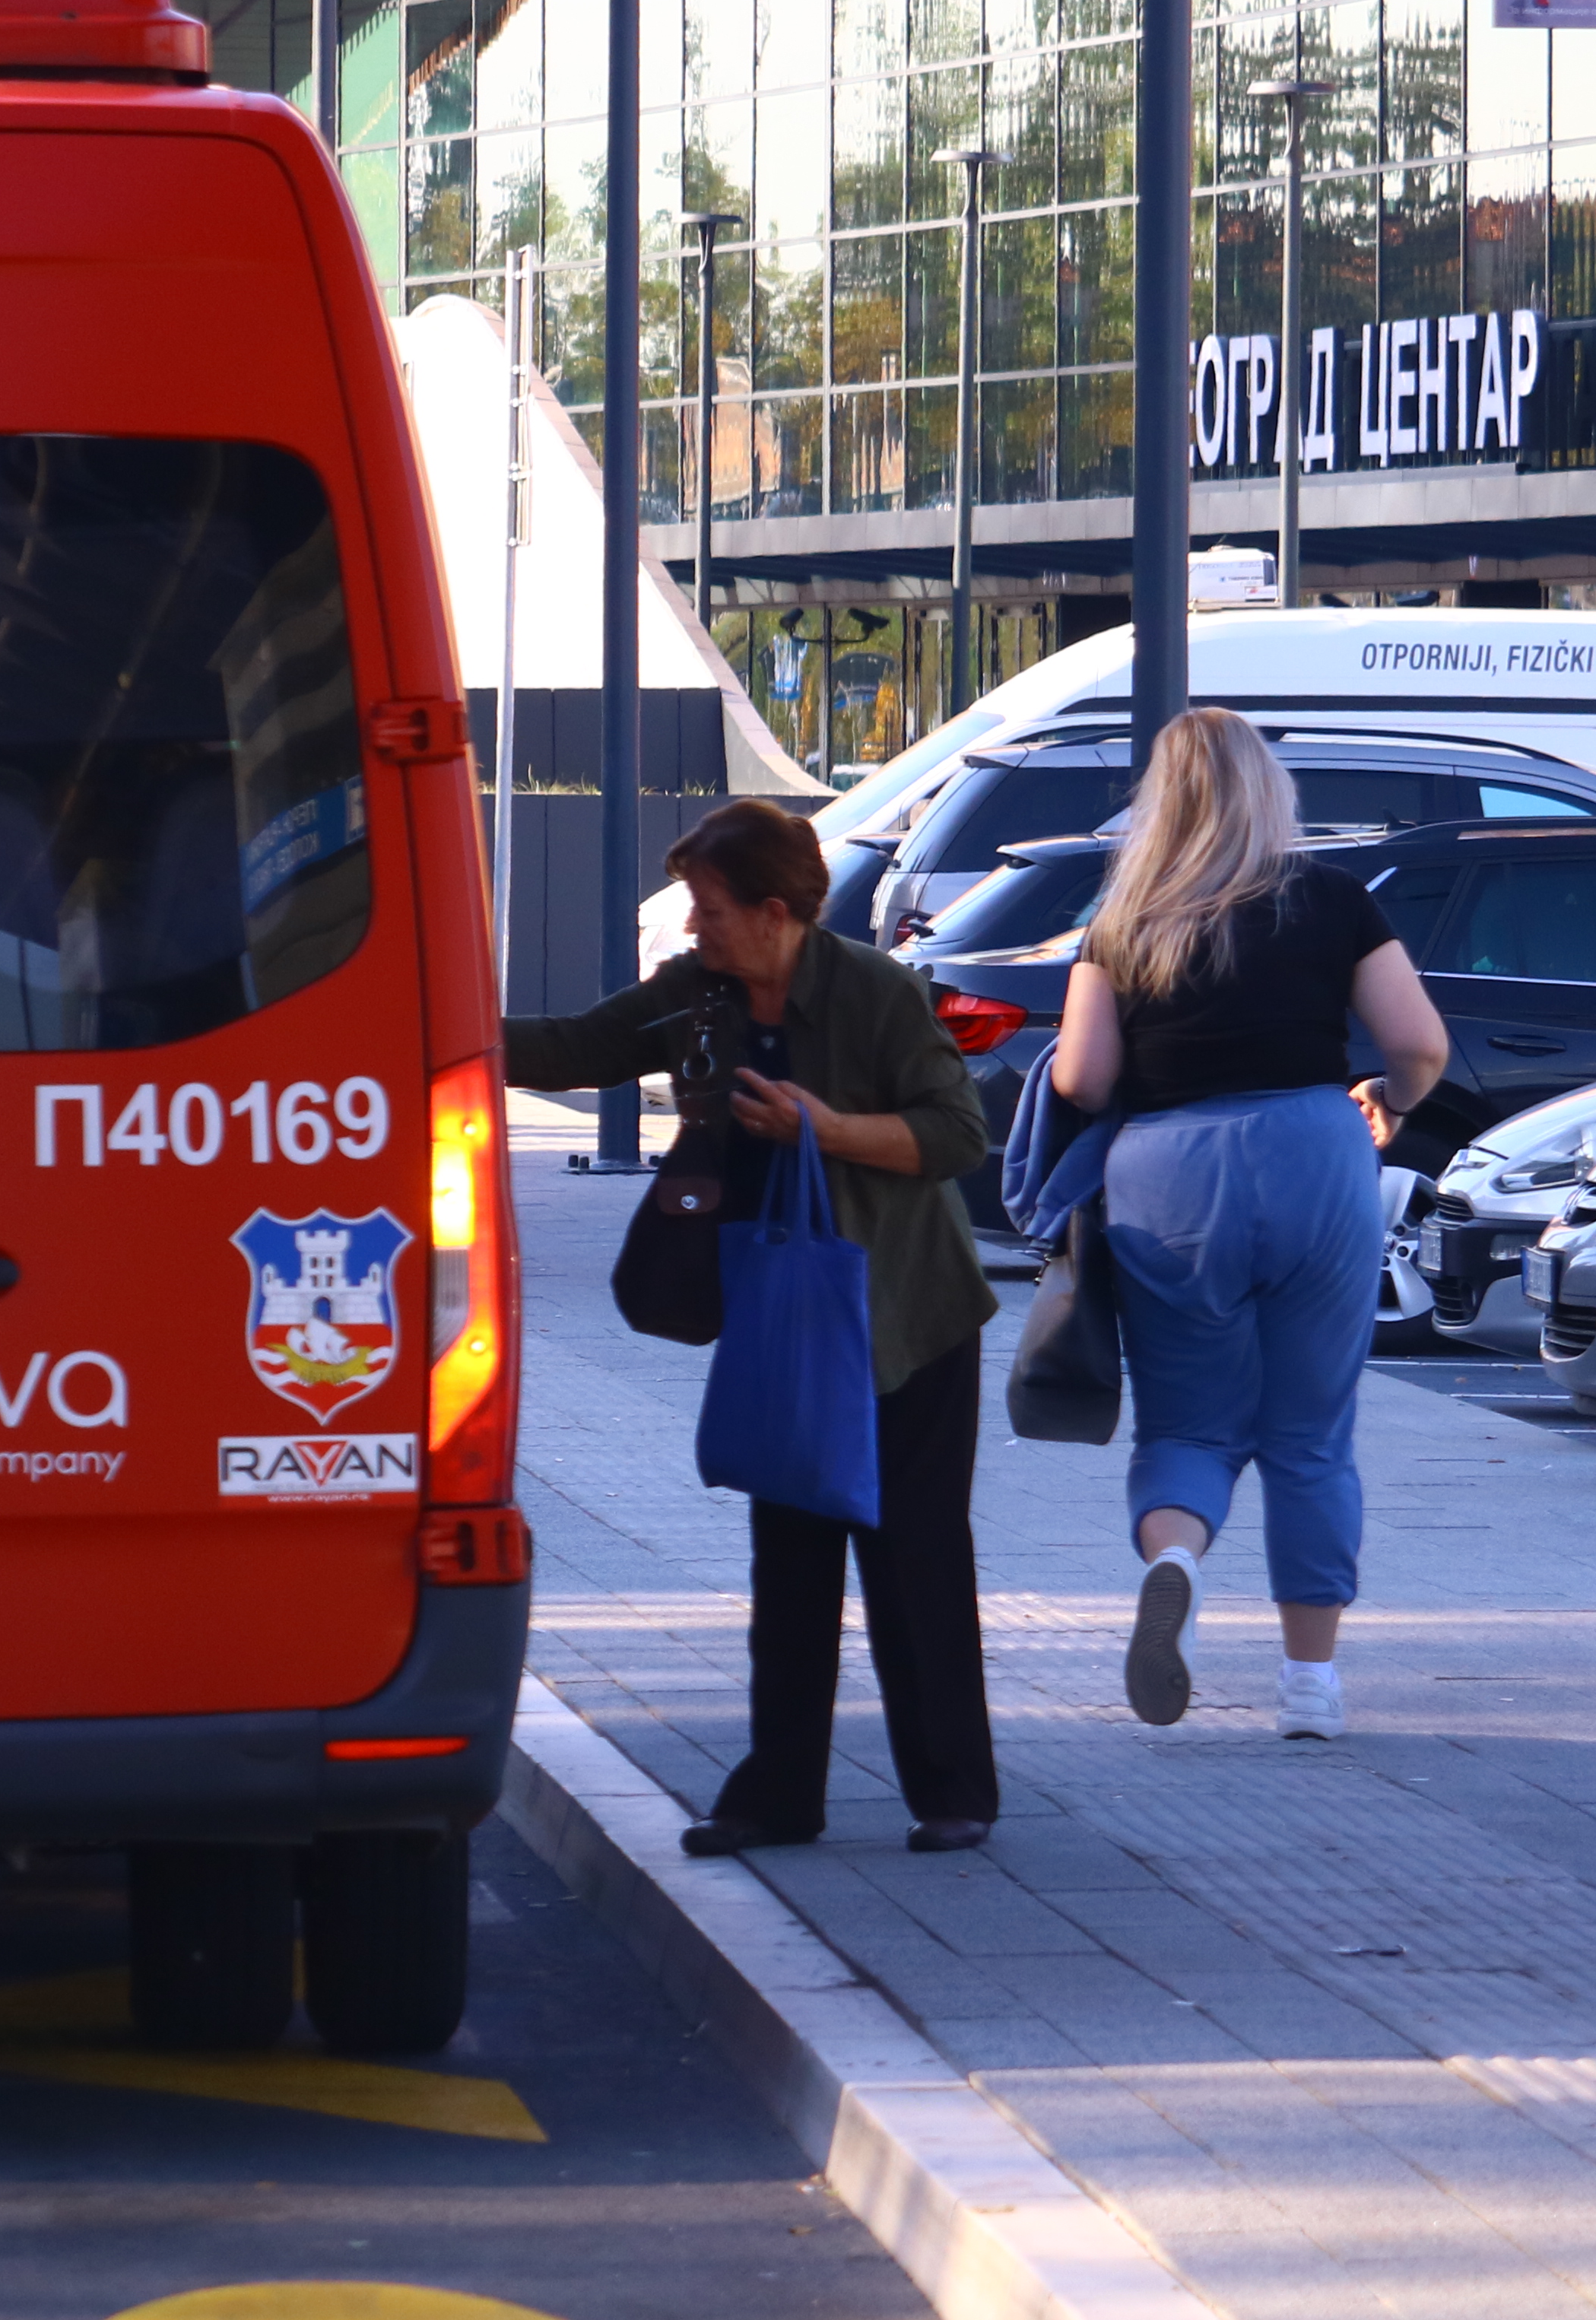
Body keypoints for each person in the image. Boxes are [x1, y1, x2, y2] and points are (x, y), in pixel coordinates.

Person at [507, 798, 1004, 1856]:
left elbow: (957, 1134)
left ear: (775, 912)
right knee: (789, 1559)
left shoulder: (874, 991)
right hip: (780, 1309)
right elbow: (577, 1046)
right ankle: (779, 1796)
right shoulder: (700, 993)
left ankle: (953, 1790)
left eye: (710, 907)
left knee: (914, 1555)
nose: (694, 926)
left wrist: (822, 1129)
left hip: (904, 1314)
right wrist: (436, 1029)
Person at [1043, 709, 1452, 1739]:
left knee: (1188, 1425)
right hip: (1314, 1153)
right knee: (1310, 1435)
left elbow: (1083, 1078)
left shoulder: (1123, 917)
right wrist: (1391, 1101)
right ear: (1271, 791)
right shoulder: (1331, 897)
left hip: (1167, 1176)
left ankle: (1177, 1560)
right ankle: (1310, 1686)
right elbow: (1419, 1044)